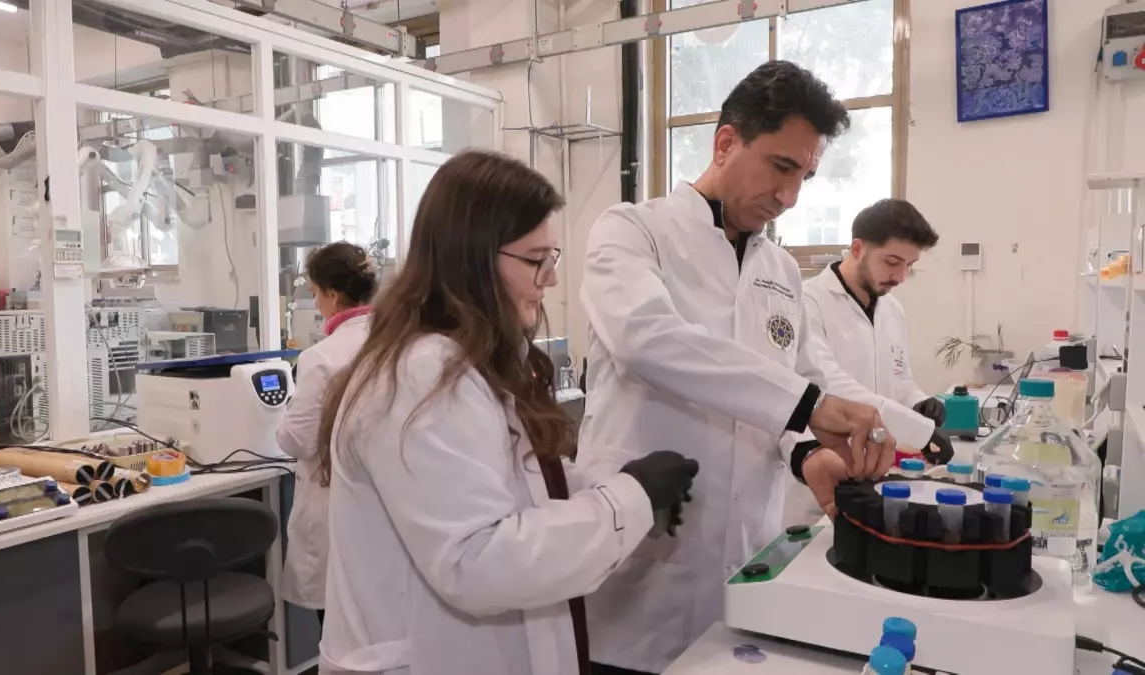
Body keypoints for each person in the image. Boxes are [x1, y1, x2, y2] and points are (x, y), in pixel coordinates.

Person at [314, 150, 700, 675]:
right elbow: (476, 559)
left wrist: (619, 483)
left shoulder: (472, 360)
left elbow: (519, 485)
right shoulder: (421, 375)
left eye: (551, 257)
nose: (550, 279)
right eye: (536, 260)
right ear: (471, 259)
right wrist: (628, 499)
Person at [577, 60, 899, 675]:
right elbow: (650, 339)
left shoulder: (781, 271)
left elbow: (787, 388)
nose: (789, 197)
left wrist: (807, 454)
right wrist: (809, 408)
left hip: (749, 568)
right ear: (726, 142)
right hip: (643, 568)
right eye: (781, 166)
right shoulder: (632, 231)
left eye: (804, 175)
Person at [802, 199, 954, 466]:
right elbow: (828, 383)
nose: (901, 276)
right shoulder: (808, 302)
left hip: (878, 463)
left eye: (909, 265)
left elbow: (900, 380)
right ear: (857, 249)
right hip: (823, 462)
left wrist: (919, 403)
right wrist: (917, 429)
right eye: (892, 262)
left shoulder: (892, 309)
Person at [276, 241, 378, 624]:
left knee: (338, 632)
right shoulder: (395, 343)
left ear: (334, 295)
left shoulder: (321, 358)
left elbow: (296, 440)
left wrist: (285, 417)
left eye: (316, 293)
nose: (316, 303)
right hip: (385, 515)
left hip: (337, 515)